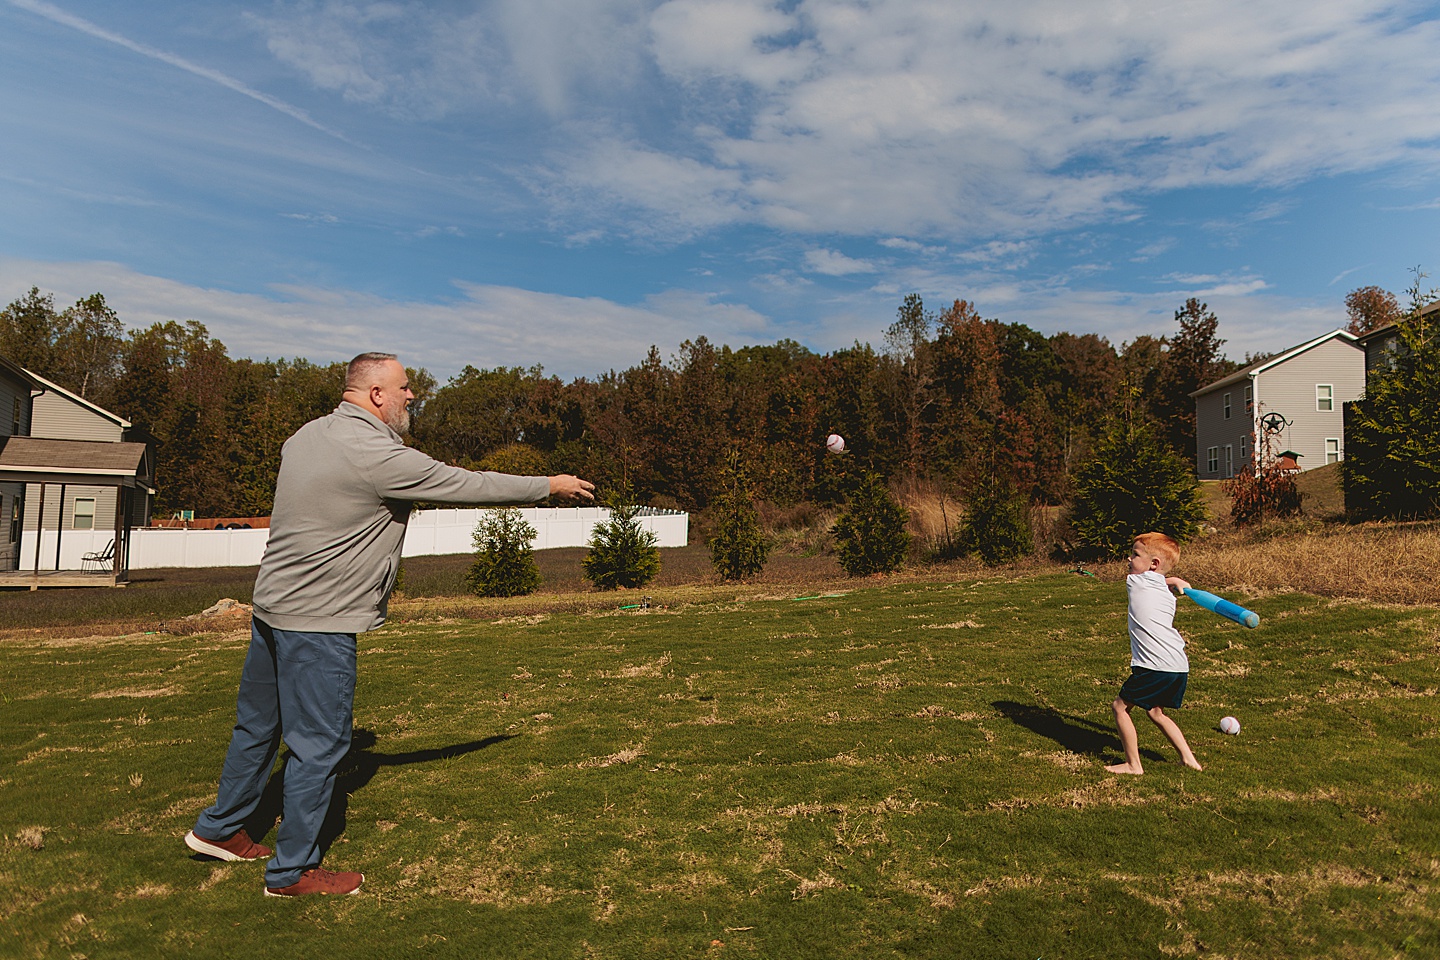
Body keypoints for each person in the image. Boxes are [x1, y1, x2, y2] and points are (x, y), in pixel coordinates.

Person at [184, 352, 594, 896]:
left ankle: (220, 829)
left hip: (271, 611)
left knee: (258, 727)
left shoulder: (304, 436)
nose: (411, 396)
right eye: (404, 388)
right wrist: (547, 484)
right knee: (320, 747)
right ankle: (291, 873)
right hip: (318, 622)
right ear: (376, 393)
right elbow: (465, 484)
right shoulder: (377, 454)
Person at [1104, 532, 1203, 776]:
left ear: (1154, 564)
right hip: (1177, 665)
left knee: (1119, 707)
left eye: (1135, 554)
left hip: (1154, 665)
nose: (1129, 558)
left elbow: (1147, 577)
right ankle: (1189, 759)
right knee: (1155, 712)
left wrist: (1172, 579)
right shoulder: (1168, 595)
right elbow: (1160, 580)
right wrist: (1174, 580)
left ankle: (1133, 765)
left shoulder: (1134, 581)